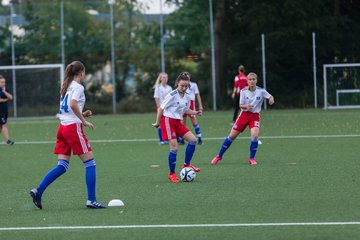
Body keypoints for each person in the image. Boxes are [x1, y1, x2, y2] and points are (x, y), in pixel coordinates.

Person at [30, 61, 106, 209]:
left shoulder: (66, 85)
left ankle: (38, 190)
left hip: (63, 128)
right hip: (72, 129)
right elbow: (72, 104)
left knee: (62, 166)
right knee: (90, 163)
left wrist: (82, 114)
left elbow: (67, 109)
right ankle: (91, 200)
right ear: (82, 72)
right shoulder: (78, 87)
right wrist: (83, 120)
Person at [211, 72, 274, 165]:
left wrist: (271, 99)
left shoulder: (261, 91)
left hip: (254, 116)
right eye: (250, 80)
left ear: (256, 81)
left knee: (255, 136)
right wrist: (246, 106)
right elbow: (240, 105)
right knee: (231, 137)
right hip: (244, 116)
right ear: (247, 81)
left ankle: (251, 159)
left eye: (254, 79)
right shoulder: (243, 91)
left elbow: (270, 96)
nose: (252, 81)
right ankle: (218, 156)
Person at [152, 72, 202, 183]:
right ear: (177, 84)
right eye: (182, 85)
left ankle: (187, 164)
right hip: (167, 121)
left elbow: (185, 110)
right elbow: (161, 108)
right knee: (174, 148)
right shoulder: (172, 95)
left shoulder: (187, 96)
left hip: (177, 122)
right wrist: (157, 123)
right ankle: (172, 174)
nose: (184, 88)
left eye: (186, 86)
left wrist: (195, 112)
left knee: (193, 140)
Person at [179, 79, 204, 145]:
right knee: (182, 123)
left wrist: (200, 106)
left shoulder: (193, 84)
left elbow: (197, 95)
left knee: (194, 122)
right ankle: (182, 139)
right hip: (183, 103)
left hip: (191, 103)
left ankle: (200, 138)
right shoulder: (181, 85)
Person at [153, 72, 172, 145]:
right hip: (161, 108)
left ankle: (167, 138)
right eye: (163, 77)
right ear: (160, 79)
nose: (165, 79)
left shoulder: (169, 88)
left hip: (168, 108)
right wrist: (159, 108)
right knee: (161, 124)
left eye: (166, 77)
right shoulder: (158, 87)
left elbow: (171, 98)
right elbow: (156, 98)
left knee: (168, 123)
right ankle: (161, 140)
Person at [0, 75, 14, 145]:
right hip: (0, 111)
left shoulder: (5, 89)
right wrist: (5, 99)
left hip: (4, 111)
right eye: (2, 82)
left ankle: (7, 141)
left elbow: (11, 97)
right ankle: (7, 141)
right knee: (4, 124)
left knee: (1, 126)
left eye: (4, 82)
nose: (3, 84)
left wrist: (5, 92)